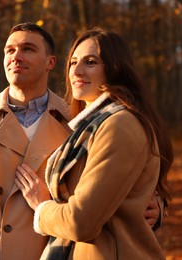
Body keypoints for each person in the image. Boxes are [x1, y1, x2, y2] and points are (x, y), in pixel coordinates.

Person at [0, 23, 162, 260]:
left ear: (50, 63)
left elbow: (132, 177)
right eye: (9, 50)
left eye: (28, 49)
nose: (16, 57)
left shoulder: (79, 122)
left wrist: (155, 205)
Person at [15, 27, 173, 259]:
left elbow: (81, 222)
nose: (76, 71)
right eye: (73, 62)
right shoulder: (87, 126)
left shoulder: (119, 124)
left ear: (115, 69)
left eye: (90, 62)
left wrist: (42, 207)